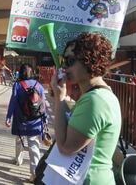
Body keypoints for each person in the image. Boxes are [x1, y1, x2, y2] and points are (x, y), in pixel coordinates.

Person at [49, 32, 121, 184]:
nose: (64, 67)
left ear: (89, 60)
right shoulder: (99, 95)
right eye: (63, 61)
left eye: (70, 60)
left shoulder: (95, 100)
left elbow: (66, 147)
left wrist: (59, 98)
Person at [5, 63, 47, 182]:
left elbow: (13, 101)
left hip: (20, 120)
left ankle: (18, 160)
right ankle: (34, 174)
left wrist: (8, 117)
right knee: (34, 147)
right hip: (35, 121)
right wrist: (45, 119)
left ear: (21, 72)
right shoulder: (38, 85)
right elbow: (43, 104)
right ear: (32, 73)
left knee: (19, 140)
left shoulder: (18, 85)